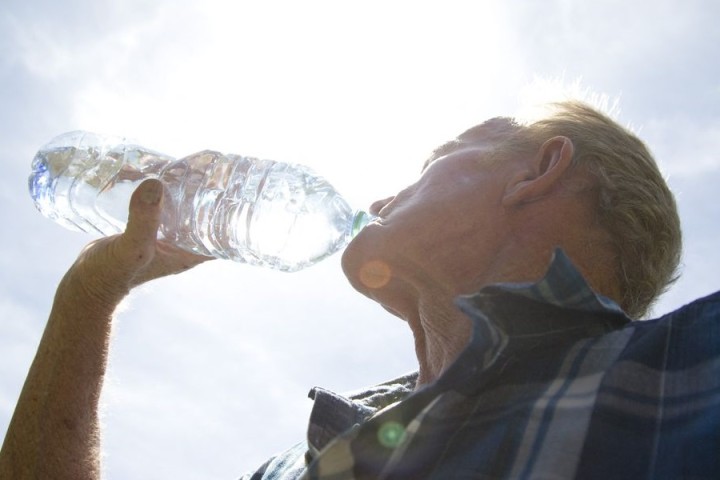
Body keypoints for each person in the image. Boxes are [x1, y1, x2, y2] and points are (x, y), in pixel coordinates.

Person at [1, 100, 719, 479]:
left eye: (435, 159)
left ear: (536, 172)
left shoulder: (688, 378)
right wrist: (88, 298)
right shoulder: (301, 463)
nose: (382, 197)